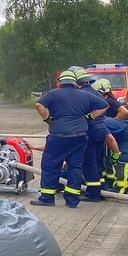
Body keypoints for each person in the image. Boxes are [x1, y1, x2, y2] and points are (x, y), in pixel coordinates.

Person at [33, 69, 108, 208]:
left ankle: (47, 198)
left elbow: (39, 105)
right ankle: (72, 200)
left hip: (58, 137)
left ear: (60, 82)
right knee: (75, 167)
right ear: (74, 82)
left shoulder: (53, 94)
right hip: (79, 137)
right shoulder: (84, 94)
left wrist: (47, 119)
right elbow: (104, 105)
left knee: (51, 165)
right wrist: (90, 117)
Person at [73, 67, 119, 202]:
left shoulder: (81, 94)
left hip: (90, 132)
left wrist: (88, 117)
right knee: (98, 162)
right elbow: (105, 106)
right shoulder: (96, 92)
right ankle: (102, 190)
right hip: (101, 131)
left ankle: (93, 194)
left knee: (89, 163)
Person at [96, 79, 128, 194]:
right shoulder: (98, 122)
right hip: (118, 133)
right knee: (109, 159)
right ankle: (112, 183)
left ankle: (122, 190)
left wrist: (116, 153)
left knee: (123, 162)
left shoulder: (101, 122)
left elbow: (110, 139)